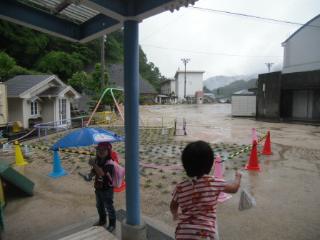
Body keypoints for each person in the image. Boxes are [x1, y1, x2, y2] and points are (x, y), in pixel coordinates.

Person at [170, 141, 242, 240]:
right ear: (210, 164)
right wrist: (238, 177)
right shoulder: (214, 182)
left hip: (183, 232)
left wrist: (175, 214)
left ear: (185, 166)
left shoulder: (180, 188)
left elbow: (173, 205)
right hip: (206, 233)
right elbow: (234, 188)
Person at [88, 141, 116, 232]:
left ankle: (112, 224)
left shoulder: (110, 163)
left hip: (107, 189)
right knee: (99, 206)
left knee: (109, 207)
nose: (101, 151)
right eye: (99, 150)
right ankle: (102, 220)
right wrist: (89, 175)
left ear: (108, 151)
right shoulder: (97, 160)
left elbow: (101, 173)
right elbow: (94, 171)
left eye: (104, 150)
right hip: (98, 187)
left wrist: (94, 164)